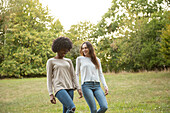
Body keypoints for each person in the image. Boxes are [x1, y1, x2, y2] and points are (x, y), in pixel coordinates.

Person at [46, 36, 82, 113]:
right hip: (59, 88)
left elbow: (73, 76)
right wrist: (51, 94)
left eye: (66, 51)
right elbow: (49, 78)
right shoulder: (51, 61)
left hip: (70, 88)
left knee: (66, 110)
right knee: (72, 108)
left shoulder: (68, 61)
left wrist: (78, 88)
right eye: (63, 50)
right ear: (57, 48)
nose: (65, 52)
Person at [76, 41, 108, 113]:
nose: (84, 50)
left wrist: (105, 86)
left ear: (90, 48)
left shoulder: (97, 60)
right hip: (86, 86)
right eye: (82, 48)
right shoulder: (80, 59)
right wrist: (78, 87)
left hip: (97, 86)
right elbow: (76, 74)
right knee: (93, 110)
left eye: (86, 48)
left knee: (104, 106)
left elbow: (100, 74)